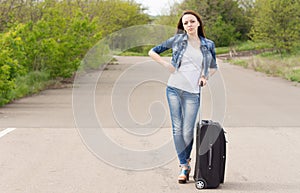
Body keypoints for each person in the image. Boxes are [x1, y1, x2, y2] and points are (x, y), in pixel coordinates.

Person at [148, 10, 218, 184]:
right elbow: (152, 51)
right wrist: (166, 64)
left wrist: (204, 77)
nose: (189, 25)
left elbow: (213, 67)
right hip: (174, 88)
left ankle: (185, 163)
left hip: (193, 92)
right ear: (183, 26)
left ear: (198, 23)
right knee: (177, 129)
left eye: (192, 21)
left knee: (187, 131)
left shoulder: (208, 44)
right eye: (185, 23)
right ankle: (184, 166)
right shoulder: (178, 40)